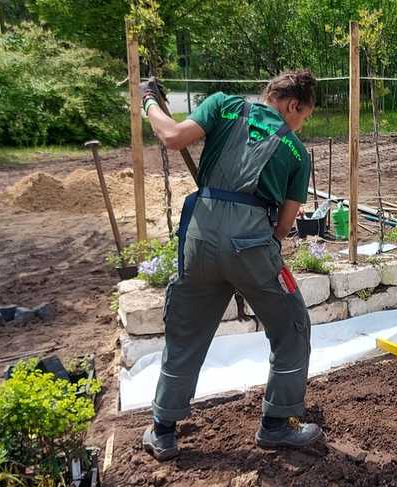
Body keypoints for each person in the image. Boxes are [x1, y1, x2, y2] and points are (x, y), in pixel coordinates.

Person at [138, 70, 322, 461]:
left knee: (186, 333)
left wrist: (149, 101)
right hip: (252, 247)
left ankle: (163, 430)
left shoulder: (223, 105)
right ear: (293, 105)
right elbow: (285, 226)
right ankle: (275, 425)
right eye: (303, 116)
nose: (300, 125)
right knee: (293, 326)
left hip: (199, 238)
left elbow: (171, 137)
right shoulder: (295, 152)